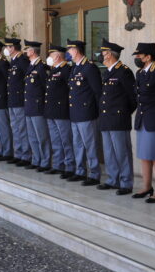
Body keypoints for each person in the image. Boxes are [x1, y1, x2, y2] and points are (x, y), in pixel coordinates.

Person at [97, 38, 136, 195]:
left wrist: (123, 113)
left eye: (103, 53)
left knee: (122, 152)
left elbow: (133, 98)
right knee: (109, 151)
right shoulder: (107, 72)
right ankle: (113, 179)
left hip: (119, 119)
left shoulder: (124, 72)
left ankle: (126, 182)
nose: (101, 55)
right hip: (106, 118)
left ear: (109, 54)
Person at [132, 43, 155, 203]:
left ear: (148, 57)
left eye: (139, 55)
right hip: (142, 119)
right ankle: (146, 186)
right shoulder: (140, 73)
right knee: (144, 155)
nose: (137, 58)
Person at [67, 39, 103, 186]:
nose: (68, 53)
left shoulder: (90, 68)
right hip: (75, 113)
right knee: (78, 144)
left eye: (70, 50)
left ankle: (94, 173)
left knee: (90, 145)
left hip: (87, 113)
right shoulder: (75, 68)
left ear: (76, 50)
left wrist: (97, 111)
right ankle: (80, 171)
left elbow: (98, 92)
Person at [44, 44, 75, 178]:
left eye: (50, 55)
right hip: (51, 111)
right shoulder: (53, 70)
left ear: (57, 56)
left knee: (65, 140)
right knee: (56, 140)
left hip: (62, 111)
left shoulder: (66, 70)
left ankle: (70, 166)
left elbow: (70, 91)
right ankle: (58, 165)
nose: (49, 57)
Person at [22, 40, 51, 172]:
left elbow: (46, 88)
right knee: (32, 136)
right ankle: (36, 159)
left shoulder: (41, 67)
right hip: (29, 106)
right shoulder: (30, 66)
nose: (26, 52)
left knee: (41, 136)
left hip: (38, 107)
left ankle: (45, 161)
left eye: (27, 50)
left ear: (33, 51)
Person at [5, 37, 31, 166]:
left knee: (22, 129)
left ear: (13, 48)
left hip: (20, 100)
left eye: (8, 47)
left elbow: (28, 79)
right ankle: (18, 153)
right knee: (15, 129)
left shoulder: (22, 60)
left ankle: (26, 155)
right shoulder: (13, 61)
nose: (6, 49)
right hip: (12, 100)